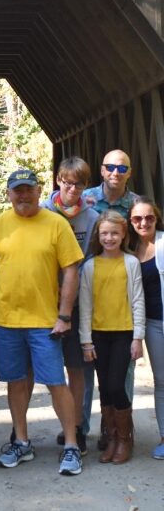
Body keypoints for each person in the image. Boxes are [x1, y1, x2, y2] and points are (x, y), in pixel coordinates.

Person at [0, 169, 84, 476]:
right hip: (6, 319)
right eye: (17, 190)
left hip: (45, 321)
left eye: (29, 189)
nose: (24, 195)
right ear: (8, 193)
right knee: (16, 382)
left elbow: (71, 270)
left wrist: (64, 315)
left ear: (39, 190)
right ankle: (22, 441)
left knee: (56, 382)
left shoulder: (56, 224)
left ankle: (71, 445)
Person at [42, 157, 99, 455]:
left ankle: (75, 427)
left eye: (79, 183)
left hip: (75, 304)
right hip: (43, 301)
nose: (72, 188)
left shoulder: (91, 218)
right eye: (67, 182)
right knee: (43, 369)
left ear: (86, 185)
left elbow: (92, 260)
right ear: (58, 181)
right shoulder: (42, 211)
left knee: (76, 368)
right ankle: (21, 431)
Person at [82, 149, 139, 447]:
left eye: (122, 167)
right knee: (92, 371)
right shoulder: (86, 198)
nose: (115, 172)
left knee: (121, 374)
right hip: (91, 285)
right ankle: (85, 428)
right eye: (110, 167)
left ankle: (120, 431)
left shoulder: (137, 204)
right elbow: (55, 208)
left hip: (124, 289)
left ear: (130, 172)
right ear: (101, 170)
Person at [79, 210, 145, 464]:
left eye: (114, 233)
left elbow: (138, 301)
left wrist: (137, 337)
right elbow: (85, 306)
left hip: (123, 334)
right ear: (98, 235)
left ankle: (125, 438)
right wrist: (86, 341)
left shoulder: (131, 263)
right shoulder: (91, 266)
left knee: (117, 385)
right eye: (104, 233)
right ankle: (111, 437)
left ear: (123, 234)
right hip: (98, 335)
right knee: (105, 387)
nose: (109, 238)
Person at [129, 197, 164, 459]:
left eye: (149, 218)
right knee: (162, 382)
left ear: (157, 218)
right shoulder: (130, 250)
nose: (144, 223)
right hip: (152, 323)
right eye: (137, 219)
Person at [83, 150, 137, 219]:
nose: (115, 173)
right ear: (102, 171)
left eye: (122, 169)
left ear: (129, 173)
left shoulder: (138, 205)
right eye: (110, 167)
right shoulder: (83, 199)